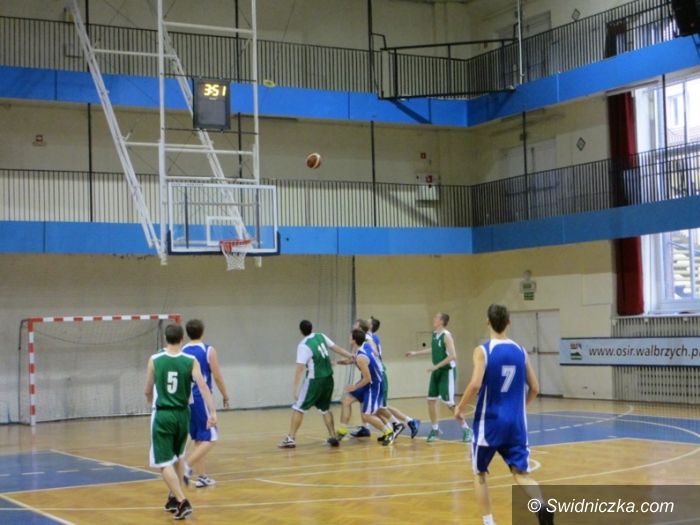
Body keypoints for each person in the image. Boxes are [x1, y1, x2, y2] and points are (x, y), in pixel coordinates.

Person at [454, 304, 552, 525]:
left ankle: (489, 522)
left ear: (487, 322)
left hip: (489, 423)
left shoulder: (483, 351)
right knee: (521, 473)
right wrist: (520, 408)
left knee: (479, 473)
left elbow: (475, 384)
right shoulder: (520, 351)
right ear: (509, 322)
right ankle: (541, 506)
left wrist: (460, 407)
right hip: (516, 424)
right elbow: (535, 387)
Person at [144, 323, 217, 521]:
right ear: (182, 339)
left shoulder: (155, 359)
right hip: (183, 415)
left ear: (165, 339)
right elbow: (203, 387)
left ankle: (183, 501)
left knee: (163, 462)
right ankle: (173, 498)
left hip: (163, 415)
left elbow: (147, 389)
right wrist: (212, 412)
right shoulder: (191, 360)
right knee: (177, 457)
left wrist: (150, 400)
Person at [278, 320, 354, 449]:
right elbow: (336, 348)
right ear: (312, 328)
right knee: (325, 409)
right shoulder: (320, 336)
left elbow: (300, 368)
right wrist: (351, 355)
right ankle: (333, 436)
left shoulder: (303, 345)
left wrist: (295, 388)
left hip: (315, 380)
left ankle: (290, 438)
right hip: (328, 379)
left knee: (298, 408)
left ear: (301, 331)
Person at [406, 312, 471, 443]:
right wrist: (415, 353)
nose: (434, 319)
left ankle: (467, 429)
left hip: (447, 372)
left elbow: (453, 356)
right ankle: (435, 430)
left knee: (449, 403)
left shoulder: (447, 336)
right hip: (437, 371)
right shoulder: (435, 334)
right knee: (431, 400)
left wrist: (436, 366)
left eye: (436, 317)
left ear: (441, 321)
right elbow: (433, 349)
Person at [181, 319, 229, 488]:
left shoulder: (183, 350)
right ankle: (186, 466)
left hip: (187, 398)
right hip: (201, 397)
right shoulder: (208, 350)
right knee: (211, 437)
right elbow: (217, 376)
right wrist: (225, 395)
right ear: (202, 331)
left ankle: (202, 477)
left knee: (199, 437)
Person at [363, 317, 421, 442]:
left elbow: (374, 353)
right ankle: (397, 426)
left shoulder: (370, 338)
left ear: (370, 326)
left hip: (379, 374)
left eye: (367, 321)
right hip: (376, 374)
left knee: (381, 407)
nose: (364, 322)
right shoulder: (370, 337)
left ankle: (405, 423)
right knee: (378, 408)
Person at [337, 328, 397, 445]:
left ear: (354, 340)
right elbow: (355, 359)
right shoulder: (364, 346)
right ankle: (343, 430)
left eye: (350, 336)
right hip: (367, 383)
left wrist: (354, 387)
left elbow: (367, 378)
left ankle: (389, 432)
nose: (349, 337)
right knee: (346, 401)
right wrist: (340, 362)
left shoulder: (361, 357)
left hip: (374, 385)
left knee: (367, 416)